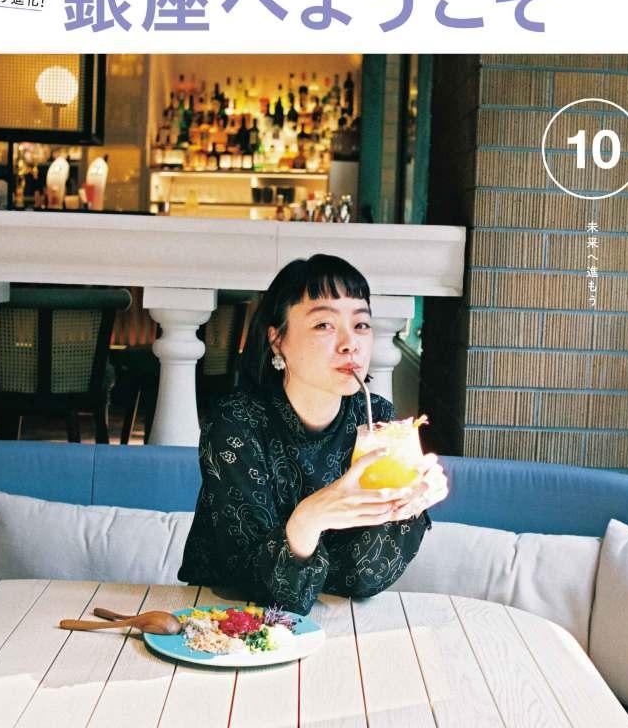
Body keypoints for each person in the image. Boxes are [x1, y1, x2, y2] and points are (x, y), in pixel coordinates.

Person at [178, 253, 449, 614]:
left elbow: (362, 580)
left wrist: (405, 507)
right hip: (221, 616)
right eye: (324, 325)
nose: (350, 343)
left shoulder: (377, 421)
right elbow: (249, 581)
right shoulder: (236, 423)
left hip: (335, 618)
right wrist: (310, 519)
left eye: (361, 324)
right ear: (277, 340)